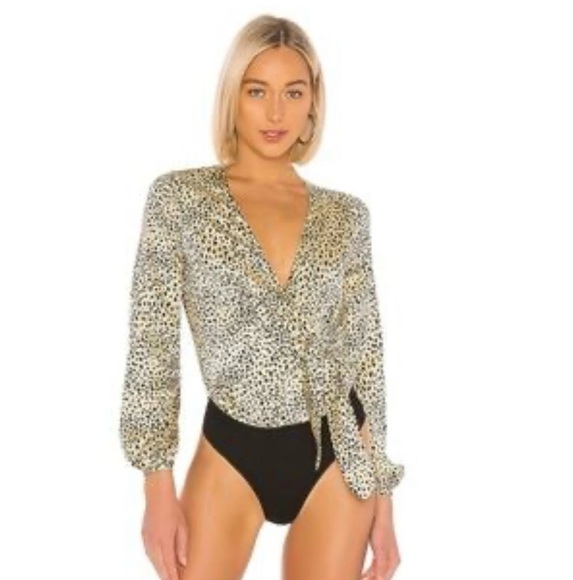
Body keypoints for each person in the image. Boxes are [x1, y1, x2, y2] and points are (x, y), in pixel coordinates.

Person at [119, 13, 405, 580]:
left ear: (313, 103)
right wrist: (157, 486)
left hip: (339, 455)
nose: (276, 113)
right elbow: (152, 345)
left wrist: (384, 500)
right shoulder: (180, 199)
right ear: (233, 96)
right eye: (257, 91)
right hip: (233, 447)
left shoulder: (347, 217)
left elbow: (366, 358)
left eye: (293, 92)